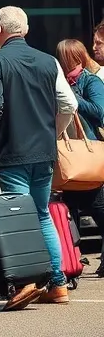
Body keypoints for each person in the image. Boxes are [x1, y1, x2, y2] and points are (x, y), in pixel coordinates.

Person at [0, 6, 78, 309]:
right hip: (44, 153)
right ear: (26, 31)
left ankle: (25, 282)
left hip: (11, 152)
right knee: (42, 214)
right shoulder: (49, 61)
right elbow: (68, 104)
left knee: (17, 218)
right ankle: (58, 285)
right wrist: (53, 134)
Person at [54, 38, 104, 277]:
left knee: (98, 208)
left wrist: (74, 99)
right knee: (68, 213)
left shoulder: (89, 81)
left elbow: (99, 112)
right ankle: (72, 259)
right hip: (67, 156)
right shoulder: (59, 82)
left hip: (88, 152)